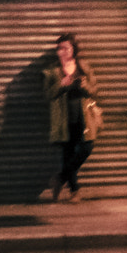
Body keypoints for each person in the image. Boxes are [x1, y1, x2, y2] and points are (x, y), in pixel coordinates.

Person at [43, 32, 98, 201]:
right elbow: (47, 95)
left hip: (83, 116)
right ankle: (74, 192)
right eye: (60, 48)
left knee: (87, 147)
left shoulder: (83, 66)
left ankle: (59, 178)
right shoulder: (52, 71)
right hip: (63, 119)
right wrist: (61, 84)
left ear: (73, 49)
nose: (63, 51)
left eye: (66, 48)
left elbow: (94, 91)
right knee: (67, 153)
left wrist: (85, 85)